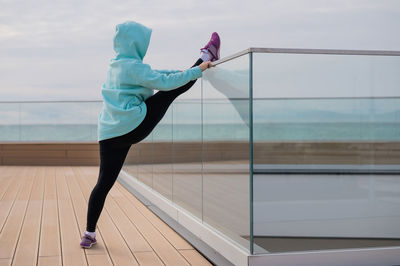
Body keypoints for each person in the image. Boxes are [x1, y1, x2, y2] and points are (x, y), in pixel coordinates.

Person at [80, 20, 221, 248]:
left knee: (102, 185)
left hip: (108, 133)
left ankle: (89, 234)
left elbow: (155, 74)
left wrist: (183, 72)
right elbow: (164, 82)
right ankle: (207, 56)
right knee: (169, 92)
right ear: (137, 43)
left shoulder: (116, 65)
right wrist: (197, 70)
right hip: (133, 125)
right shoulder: (134, 67)